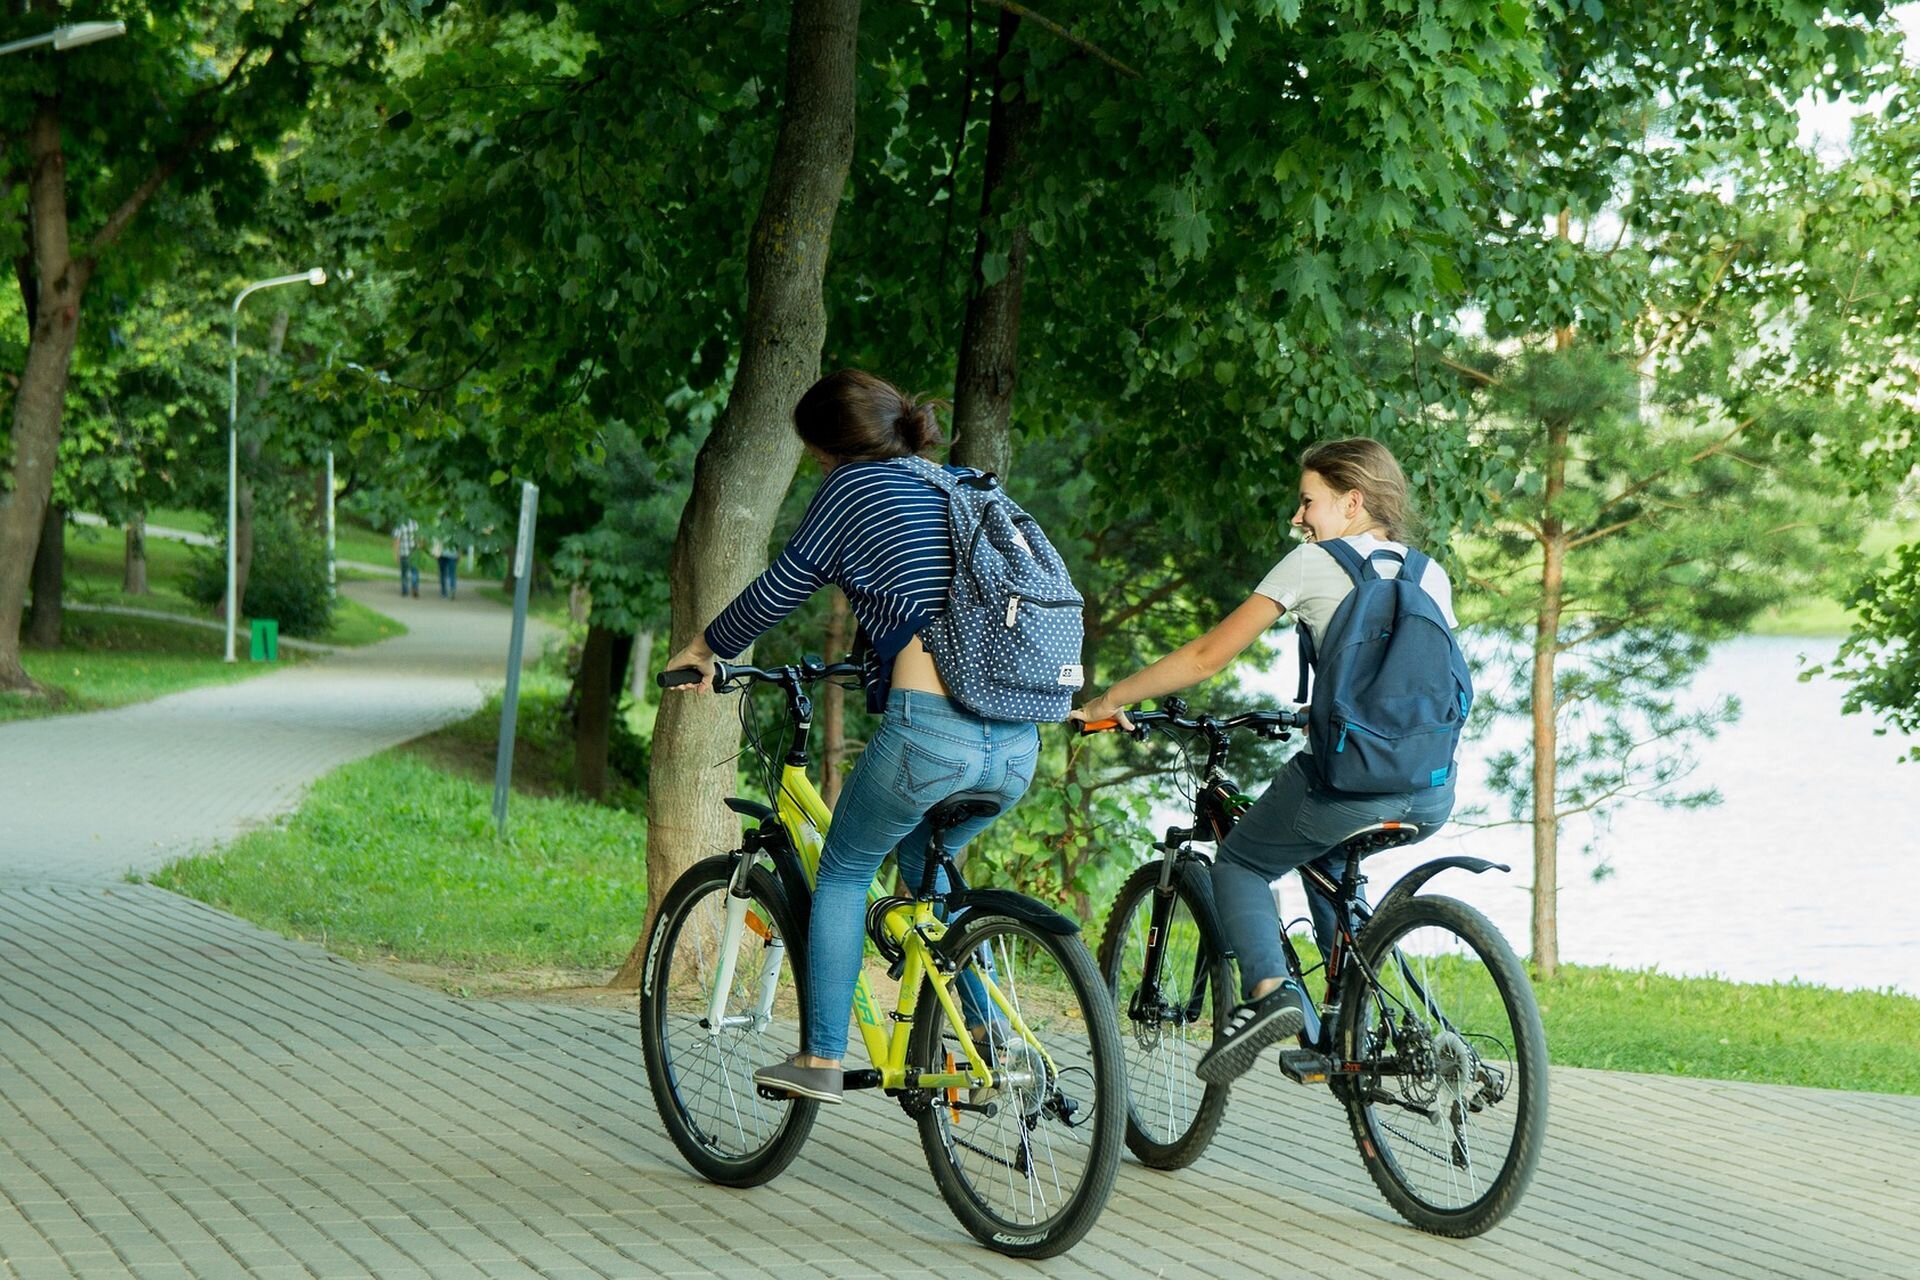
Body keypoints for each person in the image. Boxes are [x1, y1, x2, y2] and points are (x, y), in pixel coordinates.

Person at [663, 369, 1039, 1104]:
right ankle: (987, 1035)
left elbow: (782, 586)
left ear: (826, 446)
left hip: (932, 738)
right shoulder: (953, 484)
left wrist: (705, 649)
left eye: (812, 451)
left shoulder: (852, 487)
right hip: (1017, 743)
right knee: (927, 870)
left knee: (841, 871)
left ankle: (821, 1059)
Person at [1071, 438, 1459, 1086]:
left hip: (1348, 786)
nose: (1298, 516)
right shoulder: (1431, 574)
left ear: (1352, 501)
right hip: (1431, 789)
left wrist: (1109, 700)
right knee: (1325, 863)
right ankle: (1345, 1036)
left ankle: (1271, 994)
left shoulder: (1312, 563)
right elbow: (1411, 688)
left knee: (1242, 862)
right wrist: (1320, 714)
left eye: (1309, 501)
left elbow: (1206, 656)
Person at [392, 516, 421, 598]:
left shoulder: (400, 525)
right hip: (414, 553)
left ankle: (405, 591)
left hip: (404, 553)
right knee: (415, 572)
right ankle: (415, 588)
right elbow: (419, 539)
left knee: (404, 573)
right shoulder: (415, 524)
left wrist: (396, 554)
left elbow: (397, 541)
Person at [431, 533, 458, 599]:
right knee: (452, 573)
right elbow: (458, 542)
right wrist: (459, 553)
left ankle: (444, 592)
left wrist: (435, 552)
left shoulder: (439, 530)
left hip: (442, 554)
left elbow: (435, 540)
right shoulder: (454, 530)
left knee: (443, 574)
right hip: (452, 554)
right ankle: (452, 588)